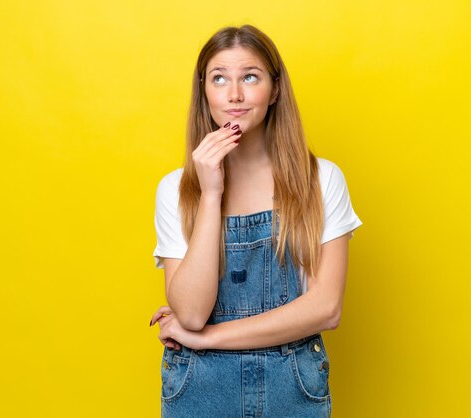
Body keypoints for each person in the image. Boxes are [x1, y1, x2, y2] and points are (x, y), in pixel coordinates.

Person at [149, 24, 362, 418]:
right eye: (219, 79)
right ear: (204, 93)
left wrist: (206, 338)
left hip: (293, 388)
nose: (234, 94)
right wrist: (211, 194)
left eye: (250, 77)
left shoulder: (320, 180)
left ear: (275, 90)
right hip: (199, 389)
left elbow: (326, 309)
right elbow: (192, 312)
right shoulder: (176, 190)